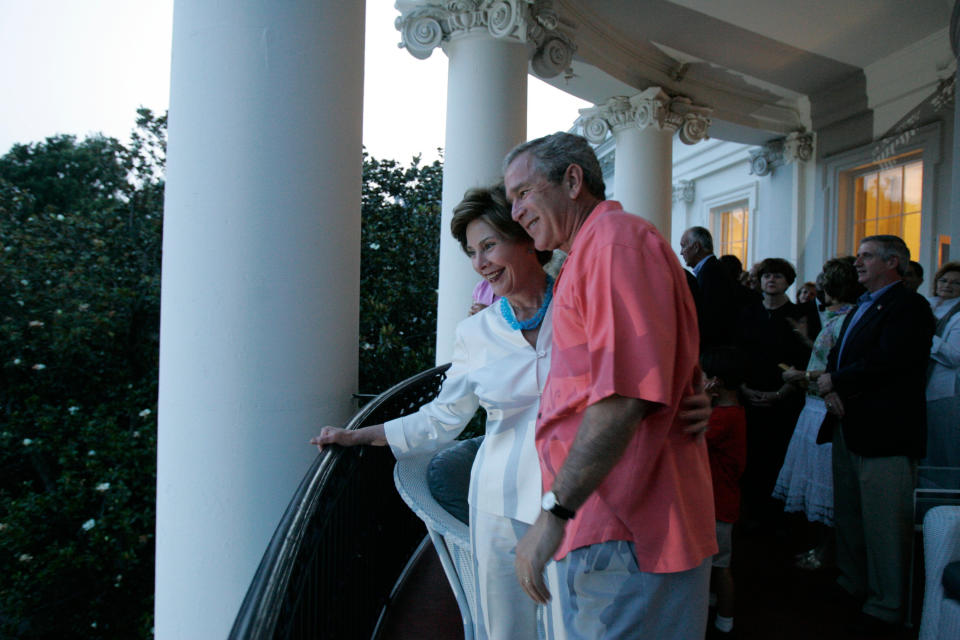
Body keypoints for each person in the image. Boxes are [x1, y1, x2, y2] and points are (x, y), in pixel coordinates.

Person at [312, 184, 559, 640]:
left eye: (490, 245)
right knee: (509, 628)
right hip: (500, 505)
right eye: (471, 252)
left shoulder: (580, 309)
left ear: (525, 237)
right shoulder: (476, 332)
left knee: (577, 622)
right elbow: (443, 417)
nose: (480, 261)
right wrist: (361, 435)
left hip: (576, 494)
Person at [504, 132, 716, 640]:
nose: (515, 213)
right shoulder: (592, 250)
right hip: (613, 518)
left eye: (523, 193)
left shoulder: (614, 243)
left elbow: (624, 396)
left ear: (572, 180)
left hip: (630, 522)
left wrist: (554, 513)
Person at [817, 235, 934, 634]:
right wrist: (831, 386)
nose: (857, 263)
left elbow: (891, 360)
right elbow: (838, 354)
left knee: (885, 523)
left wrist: (836, 381)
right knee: (850, 515)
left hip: (885, 431)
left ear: (894, 262)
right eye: (858, 257)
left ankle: (887, 604)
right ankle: (854, 583)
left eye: (867, 256)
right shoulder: (862, 306)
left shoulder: (909, 306)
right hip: (848, 425)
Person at [775, 257, 862, 570]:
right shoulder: (840, 315)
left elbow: (837, 366)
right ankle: (822, 548)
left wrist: (802, 376)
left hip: (823, 406)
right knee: (817, 484)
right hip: (814, 406)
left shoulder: (848, 317)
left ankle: (828, 552)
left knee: (826, 486)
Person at [737, 257, 812, 529]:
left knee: (779, 458)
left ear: (788, 282)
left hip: (785, 400)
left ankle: (778, 520)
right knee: (750, 458)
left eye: (778, 276)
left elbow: (805, 360)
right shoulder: (747, 313)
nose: (771, 280)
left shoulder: (799, 316)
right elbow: (740, 355)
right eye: (767, 275)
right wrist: (744, 388)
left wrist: (781, 393)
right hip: (749, 396)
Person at [701, 347, 747, 639]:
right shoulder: (734, 412)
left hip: (719, 505)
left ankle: (725, 622)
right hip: (722, 502)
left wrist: (702, 399)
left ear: (715, 383)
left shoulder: (721, 419)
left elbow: (692, 435)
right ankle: (717, 610)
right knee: (717, 566)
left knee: (720, 567)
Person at [924, 261, 960, 467]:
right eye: (944, 280)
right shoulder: (926, 304)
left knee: (941, 451)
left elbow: (955, 357)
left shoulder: (958, 315)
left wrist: (927, 335)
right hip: (915, 386)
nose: (947, 285)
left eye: (956, 283)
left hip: (942, 393)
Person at [680, 226, 738, 349]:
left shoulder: (712, 272)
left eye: (683, 246)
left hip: (714, 347)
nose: (681, 252)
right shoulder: (711, 269)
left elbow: (709, 314)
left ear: (696, 247)